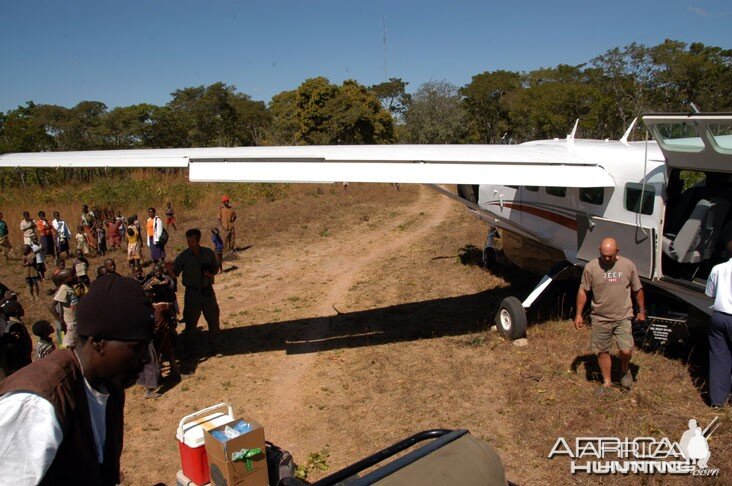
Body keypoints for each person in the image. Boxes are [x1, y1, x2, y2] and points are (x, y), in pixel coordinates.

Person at [0, 273, 154, 485]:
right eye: (137, 347)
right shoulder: (35, 405)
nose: (146, 358)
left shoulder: (108, 387)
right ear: (99, 341)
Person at [575, 237, 645, 394]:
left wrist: (641, 311)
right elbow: (583, 291)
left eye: (610, 256)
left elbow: (637, 289)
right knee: (602, 351)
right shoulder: (591, 267)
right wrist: (578, 314)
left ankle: (624, 369)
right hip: (600, 318)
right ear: (599, 251)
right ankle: (607, 382)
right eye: (604, 255)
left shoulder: (627, 265)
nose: (607, 259)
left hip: (623, 315)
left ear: (617, 252)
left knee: (626, 350)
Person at [174, 228, 221, 359]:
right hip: (192, 294)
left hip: (207, 292)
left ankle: (215, 348)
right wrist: (168, 269)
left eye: (192, 241)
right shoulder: (183, 257)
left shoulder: (208, 253)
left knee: (213, 320)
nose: (190, 244)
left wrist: (210, 273)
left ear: (198, 240)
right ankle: (189, 351)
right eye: (188, 241)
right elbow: (175, 272)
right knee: (190, 323)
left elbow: (216, 268)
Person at [705, 235, 732, 408]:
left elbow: (710, 293)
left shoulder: (718, 268)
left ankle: (717, 400)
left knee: (719, 357)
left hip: (720, 316)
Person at [50, 268, 81, 349]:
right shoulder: (62, 290)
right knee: (65, 345)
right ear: (66, 280)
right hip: (66, 322)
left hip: (71, 321)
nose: (75, 277)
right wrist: (60, 321)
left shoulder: (69, 288)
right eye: (72, 276)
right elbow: (54, 307)